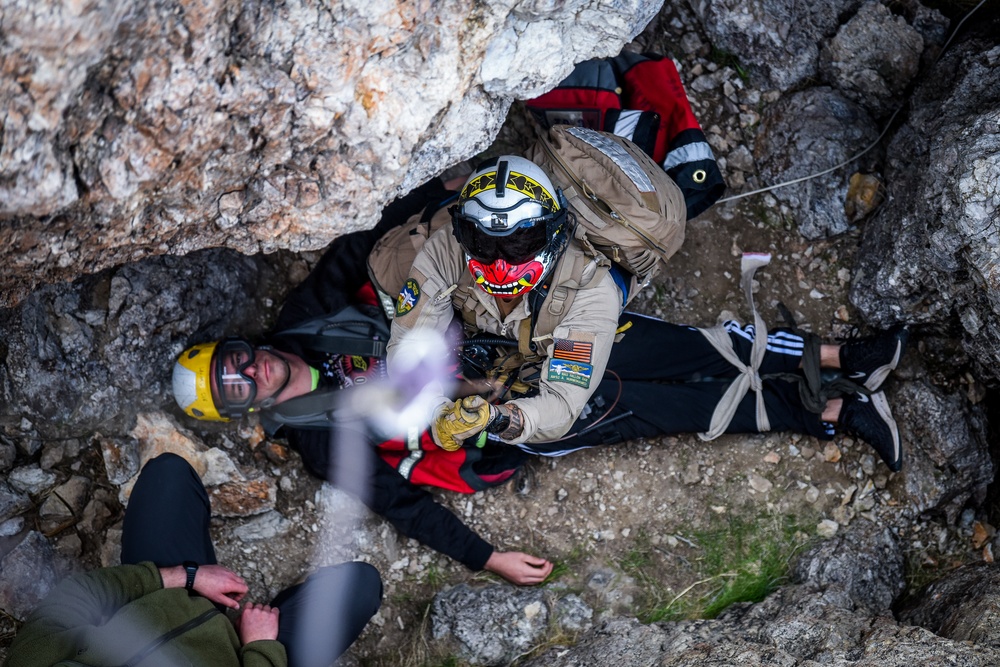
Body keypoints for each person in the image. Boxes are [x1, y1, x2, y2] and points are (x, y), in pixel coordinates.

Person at [387, 155, 908, 470]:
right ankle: (833, 412)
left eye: (521, 242)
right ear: (464, 233)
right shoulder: (444, 251)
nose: (501, 262)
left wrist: (495, 417)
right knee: (673, 408)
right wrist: (476, 413)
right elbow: (411, 343)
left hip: (575, 334)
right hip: (514, 386)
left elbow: (565, 395)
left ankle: (841, 357)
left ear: (550, 231)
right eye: (485, 240)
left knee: (692, 349)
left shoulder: (590, 284)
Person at [172, 179, 554, 586]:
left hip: (487, 330)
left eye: (236, 360)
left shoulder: (304, 319)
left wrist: (436, 189)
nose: (250, 372)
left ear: (243, 345)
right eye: (237, 387)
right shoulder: (320, 442)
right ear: (247, 408)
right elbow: (394, 500)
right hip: (494, 416)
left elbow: (364, 245)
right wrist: (488, 558)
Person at [5, 453, 382, 667]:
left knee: (167, 475)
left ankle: (250, 606)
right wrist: (260, 648)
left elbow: (72, 601)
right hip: (242, 658)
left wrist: (182, 577)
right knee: (360, 587)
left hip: (166, 601)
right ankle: (275, 617)